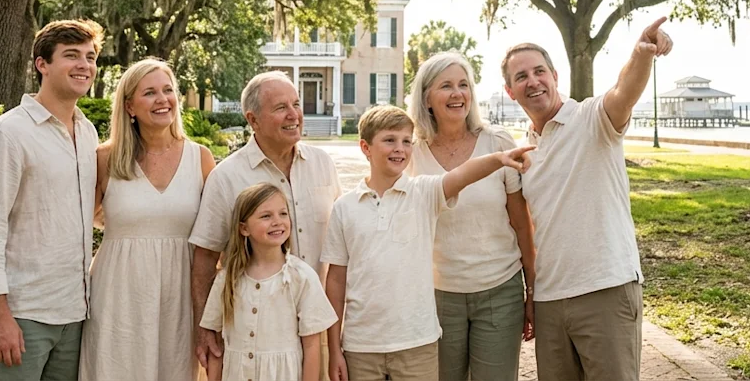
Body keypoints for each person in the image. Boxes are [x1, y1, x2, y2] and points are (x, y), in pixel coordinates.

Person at [505, 16, 673, 381]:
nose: (532, 82)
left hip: (606, 290)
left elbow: (622, 92)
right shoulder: (523, 154)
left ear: (554, 76)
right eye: (521, 77)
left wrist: (641, 54)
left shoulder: (591, 118)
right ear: (510, 91)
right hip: (549, 301)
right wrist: (531, 294)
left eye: (539, 72)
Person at [323, 105, 534, 381]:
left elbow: (463, 174)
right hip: (361, 346)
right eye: (389, 140)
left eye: (406, 141)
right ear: (365, 147)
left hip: (418, 343)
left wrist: (498, 159)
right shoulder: (344, 208)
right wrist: (334, 347)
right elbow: (335, 281)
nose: (400, 148)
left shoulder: (423, 193)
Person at [0, 19, 104, 380]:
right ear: (42, 64)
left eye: (90, 57)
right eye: (71, 55)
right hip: (19, 314)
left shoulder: (87, 133)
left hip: (74, 313)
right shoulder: (7, 135)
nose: (84, 65)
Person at [190, 71, 344, 374]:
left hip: (319, 330)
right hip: (256, 339)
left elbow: (342, 247)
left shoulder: (323, 164)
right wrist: (205, 328)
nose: (294, 115)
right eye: (280, 108)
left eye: (296, 104)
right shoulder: (227, 177)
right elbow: (206, 258)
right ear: (253, 119)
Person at [79, 58, 216, 380]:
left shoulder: (201, 158)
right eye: (150, 93)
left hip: (180, 296)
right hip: (118, 294)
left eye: (168, 90)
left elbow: (216, 240)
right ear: (129, 106)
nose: (162, 99)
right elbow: (75, 226)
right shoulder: (103, 159)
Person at [406, 52, 535, 381]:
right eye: (446, 86)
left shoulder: (497, 142)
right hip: (436, 296)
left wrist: (532, 290)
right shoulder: (410, 152)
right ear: (426, 98)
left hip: (499, 290)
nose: (457, 94)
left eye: (464, 85)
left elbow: (522, 224)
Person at [201, 183, 337, 381]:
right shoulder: (227, 279)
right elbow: (217, 346)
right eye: (266, 216)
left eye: (283, 213)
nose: (277, 221)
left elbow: (311, 346)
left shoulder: (301, 277)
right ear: (244, 228)